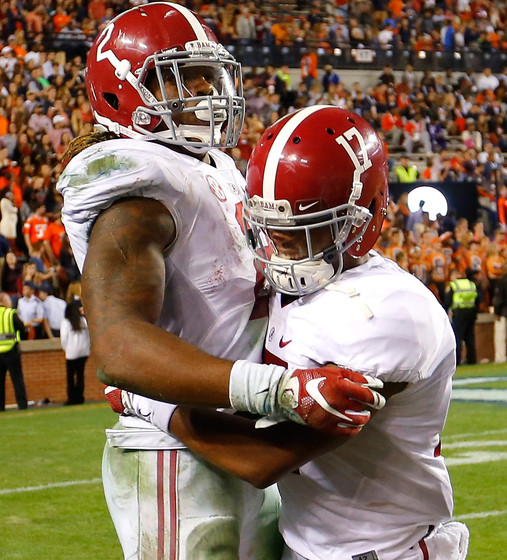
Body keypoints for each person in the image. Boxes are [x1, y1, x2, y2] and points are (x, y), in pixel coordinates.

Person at [57, 3, 382, 560]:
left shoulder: (213, 169)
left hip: (239, 430)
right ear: (122, 90)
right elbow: (117, 345)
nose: (208, 92)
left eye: (210, 74)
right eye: (184, 79)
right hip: (175, 446)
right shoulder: (137, 190)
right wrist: (278, 390)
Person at [146, 106, 469, 560]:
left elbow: (261, 459)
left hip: (382, 551)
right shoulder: (291, 284)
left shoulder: (390, 314)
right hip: (305, 542)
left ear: (363, 218)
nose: (280, 248)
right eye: (270, 229)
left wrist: (153, 402)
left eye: (305, 230)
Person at [444, 268, 480, 366]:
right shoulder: (471, 284)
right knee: (470, 337)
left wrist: (444, 313)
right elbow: (478, 300)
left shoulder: (454, 285)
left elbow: (447, 301)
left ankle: (457, 360)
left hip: (459, 312)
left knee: (457, 337)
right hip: (471, 312)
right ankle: (472, 359)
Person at [0, 291, 27, 411]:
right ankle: (22, 405)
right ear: (3, 302)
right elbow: (21, 328)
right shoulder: (10, 313)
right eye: (8, 300)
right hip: (11, 351)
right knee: (17, 380)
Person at [60, 298, 90, 405]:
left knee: (71, 377)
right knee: (80, 375)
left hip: (71, 353)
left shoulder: (66, 322)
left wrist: (66, 349)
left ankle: (72, 398)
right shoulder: (83, 321)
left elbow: (64, 338)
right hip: (84, 352)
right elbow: (88, 336)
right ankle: (80, 397)